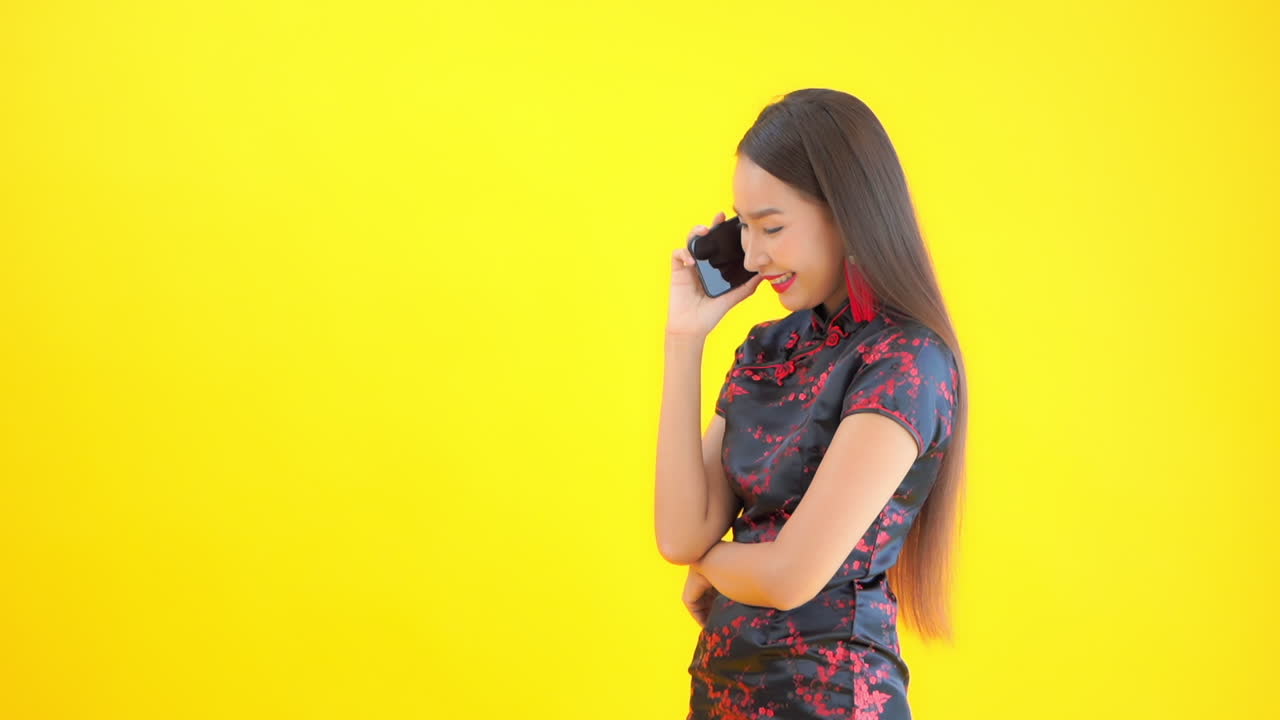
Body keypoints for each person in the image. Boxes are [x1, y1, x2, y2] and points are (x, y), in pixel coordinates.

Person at [655, 88, 969, 720]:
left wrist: (711, 567)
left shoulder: (904, 360)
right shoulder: (768, 348)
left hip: (829, 698)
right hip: (720, 693)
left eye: (772, 227)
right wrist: (684, 339)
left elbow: (791, 574)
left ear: (844, 213)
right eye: (743, 227)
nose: (751, 255)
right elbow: (677, 533)